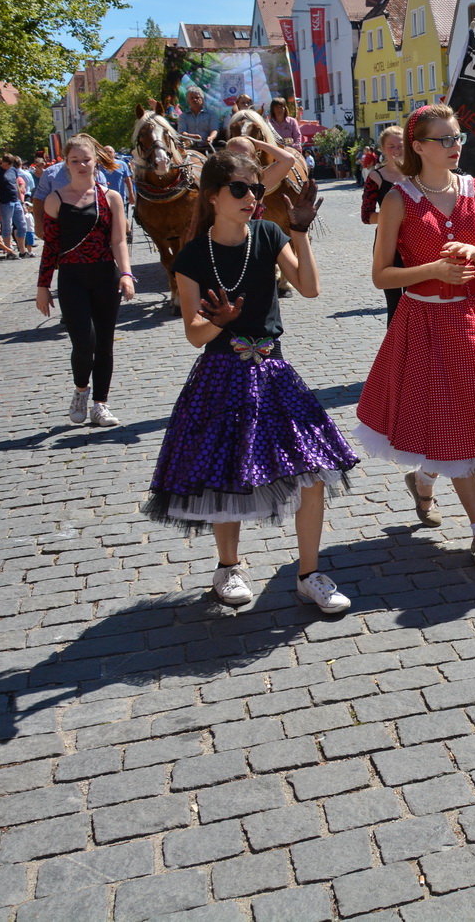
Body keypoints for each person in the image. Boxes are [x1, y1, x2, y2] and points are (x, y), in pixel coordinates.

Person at [145, 142, 356, 614]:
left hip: (275, 373)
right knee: (226, 475)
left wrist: (299, 231)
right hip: (221, 375)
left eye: (256, 189)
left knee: (312, 472)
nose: (251, 197)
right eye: (240, 188)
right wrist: (221, 320)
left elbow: (310, 288)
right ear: (213, 195)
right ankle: (229, 568)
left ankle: (309, 575)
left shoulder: (267, 233)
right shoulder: (193, 256)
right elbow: (195, 335)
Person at [354, 105, 475, 569]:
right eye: (444, 139)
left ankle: (424, 479)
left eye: (458, 137)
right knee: (449, 418)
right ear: (418, 147)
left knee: (473, 413)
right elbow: (381, 276)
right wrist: (434, 270)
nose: (455, 145)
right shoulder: (398, 199)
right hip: (422, 323)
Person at [34, 134, 134, 426]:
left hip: (105, 276)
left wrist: (126, 273)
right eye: (74, 160)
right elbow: (51, 247)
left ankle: (100, 404)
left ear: (96, 161)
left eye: (86, 160)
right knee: (83, 341)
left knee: (104, 343)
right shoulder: (55, 200)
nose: (81, 165)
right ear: (65, 164)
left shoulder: (110, 197)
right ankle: (81, 390)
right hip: (72, 278)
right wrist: (43, 286)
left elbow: (118, 241)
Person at [361, 125, 408, 323]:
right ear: (382, 149)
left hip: (417, 239)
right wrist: (392, 216)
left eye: (400, 145)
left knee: (419, 298)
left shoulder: (419, 173)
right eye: (391, 146)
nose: (397, 150)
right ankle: (395, 350)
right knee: (395, 303)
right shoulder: (376, 177)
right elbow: (367, 216)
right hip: (388, 243)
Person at [0, 154, 25, 258]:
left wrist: (22, 202)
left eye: (9, 165)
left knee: (22, 225)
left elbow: (16, 185)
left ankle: (22, 250)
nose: (7, 167)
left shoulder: (13, 170)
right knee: (7, 227)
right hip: (5, 203)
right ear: (3, 162)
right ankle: (9, 251)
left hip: (16, 201)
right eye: (6, 164)